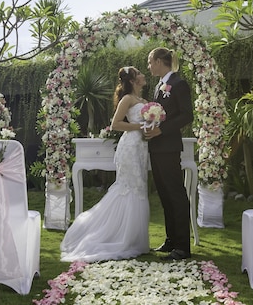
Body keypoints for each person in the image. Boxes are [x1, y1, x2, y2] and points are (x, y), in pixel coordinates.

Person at [60, 66, 150, 262]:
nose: (144, 75)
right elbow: (116, 124)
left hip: (141, 147)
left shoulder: (143, 101)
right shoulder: (127, 99)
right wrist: (139, 126)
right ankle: (117, 236)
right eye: (140, 74)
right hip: (130, 146)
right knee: (129, 188)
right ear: (134, 80)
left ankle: (135, 239)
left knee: (139, 188)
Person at [145, 46, 194, 260]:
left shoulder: (178, 84)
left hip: (169, 147)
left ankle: (183, 246)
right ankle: (171, 240)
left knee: (176, 195)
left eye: (150, 62)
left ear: (158, 61)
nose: (148, 66)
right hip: (156, 147)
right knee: (165, 195)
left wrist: (161, 130)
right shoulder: (160, 85)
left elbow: (186, 116)